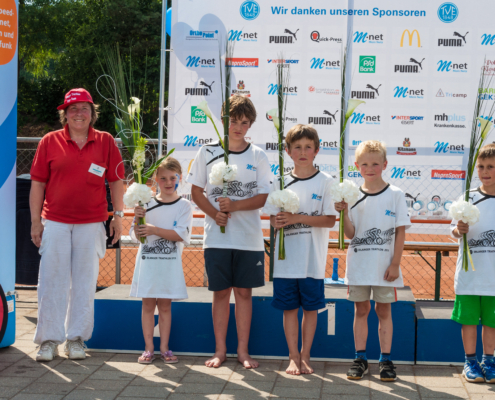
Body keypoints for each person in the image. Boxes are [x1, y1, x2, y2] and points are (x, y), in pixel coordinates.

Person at [30, 88, 125, 361]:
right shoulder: (49, 141)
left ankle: (76, 339)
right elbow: (38, 183)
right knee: (51, 282)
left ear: (92, 113)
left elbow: (117, 181)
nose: (79, 113)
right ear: (65, 114)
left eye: (84, 108)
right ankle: (48, 340)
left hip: (92, 223)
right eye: (73, 109)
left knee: (84, 284)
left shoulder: (106, 141)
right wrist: (36, 222)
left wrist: (118, 215)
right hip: (56, 222)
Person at [186, 95, 271, 369]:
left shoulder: (258, 155)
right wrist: (215, 214)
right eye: (233, 121)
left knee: (244, 294)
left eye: (244, 123)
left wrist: (234, 205)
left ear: (250, 126)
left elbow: (262, 198)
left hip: (248, 239)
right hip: (216, 237)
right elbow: (196, 191)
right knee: (221, 293)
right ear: (224, 121)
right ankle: (220, 350)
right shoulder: (207, 152)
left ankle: (242, 351)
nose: (238, 127)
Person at [263, 124, 336, 375]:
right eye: (297, 147)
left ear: (317, 150)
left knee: (310, 309)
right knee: (289, 309)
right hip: (285, 262)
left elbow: (329, 220)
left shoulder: (326, 182)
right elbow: (272, 218)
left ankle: (306, 356)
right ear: (287, 150)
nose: (302, 152)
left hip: (311, 262)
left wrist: (295, 219)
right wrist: (279, 221)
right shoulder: (279, 181)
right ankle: (292, 356)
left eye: (308, 147)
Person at [334, 140, 410, 381]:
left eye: (375, 163)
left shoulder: (396, 194)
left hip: (385, 268)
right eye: (364, 164)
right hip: (359, 267)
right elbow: (349, 234)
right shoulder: (351, 196)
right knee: (361, 309)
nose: (370, 168)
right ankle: (360, 358)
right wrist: (344, 213)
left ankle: (385, 359)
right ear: (357, 166)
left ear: (385, 164)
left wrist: (395, 263)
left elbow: (400, 231)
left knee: (383, 310)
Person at [130, 157, 193, 364]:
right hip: (148, 266)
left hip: (169, 267)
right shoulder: (145, 203)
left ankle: (165, 348)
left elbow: (180, 235)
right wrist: (139, 222)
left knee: (165, 307)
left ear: (179, 178)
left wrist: (154, 230)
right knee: (147, 306)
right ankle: (148, 349)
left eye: (172, 178)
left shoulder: (184, 205)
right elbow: (134, 235)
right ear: (156, 179)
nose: (168, 182)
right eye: (163, 178)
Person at [451, 143, 495, 384]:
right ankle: (470, 362)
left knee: (491, 322)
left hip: (493, 278)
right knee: (469, 321)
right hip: (469, 277)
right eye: (481, 166)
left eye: (491, 167)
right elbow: (453, 232)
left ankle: (489, 361)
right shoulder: (468, 198)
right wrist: (459, 230)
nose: (485, 171)